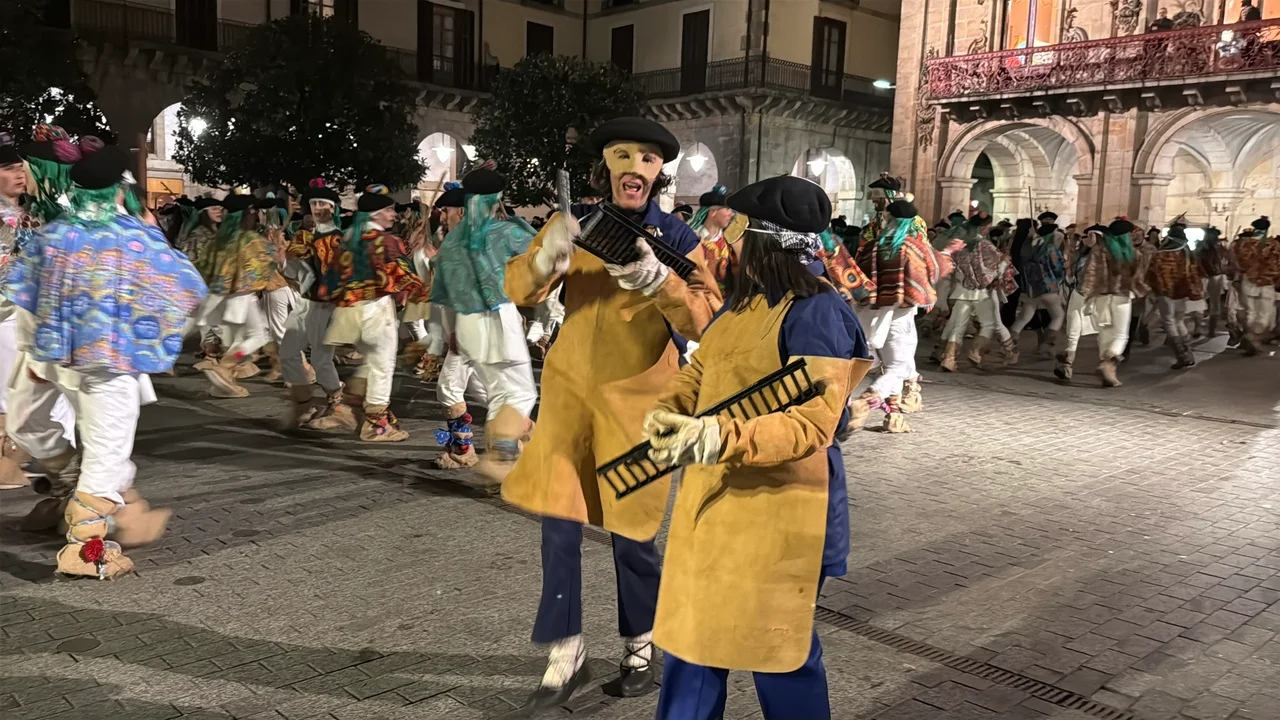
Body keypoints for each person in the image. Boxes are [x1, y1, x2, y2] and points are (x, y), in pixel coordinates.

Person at [499, 116, 720, 711]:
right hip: (568, 399)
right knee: (557, 525)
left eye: (647, 159)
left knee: (633, 535)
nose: (635, 168)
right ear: (607, 166)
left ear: (658, 171)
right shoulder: (574, 222)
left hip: (639, 405)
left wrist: (662, 283)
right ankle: (566, 649)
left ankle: (641, 644)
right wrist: (548, 255)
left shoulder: (680, 238)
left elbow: (709, 319)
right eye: (624, 156)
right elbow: (518, 290)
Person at [642, 175, 873, 719]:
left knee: (776, 651)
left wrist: (717, 435)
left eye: (736, 231)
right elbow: (703, 367)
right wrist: (670, 409)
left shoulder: (816, 311)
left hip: (783, 511)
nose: (728, 243)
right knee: (693, 640)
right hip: (717, 504)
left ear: (762, 238)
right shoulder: (744, 305)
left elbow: (813, 421)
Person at [3, 144, 207, 578]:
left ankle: (75, 498)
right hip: (111, 365)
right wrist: (156, 340)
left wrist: (35, 352)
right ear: (120, 189)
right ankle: (85, 541)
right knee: (106, 450)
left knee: (29, 425)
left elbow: (25, 299)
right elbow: (186, 293)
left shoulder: (53, 236)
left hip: (55, 359)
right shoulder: (140, 239)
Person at [429, 165, 538, 476]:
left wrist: (451, 331)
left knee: (492, 391)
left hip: (467, 323)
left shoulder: (452, 241)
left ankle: (493, 452)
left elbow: (444, 294)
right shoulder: (504, 232)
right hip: (497, 318)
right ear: (495, 199)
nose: (446, 215)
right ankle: (503, 453)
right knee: (518, 393)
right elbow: (542, 258)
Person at [316, 185, 423, 441]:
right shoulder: (386, 241)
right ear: (376, 214)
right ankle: (376, 425)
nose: (393, 215)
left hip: (348, 314)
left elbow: (330, 279)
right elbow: (404, 276)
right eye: (389, 210)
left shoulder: (348, 240)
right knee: (382, 366)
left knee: (371, 361)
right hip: (377, 312)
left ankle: (348, 405)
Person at [851, 196, 958, 432]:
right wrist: (948, 251)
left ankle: (894, 419)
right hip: (900, 315)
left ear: (888, 219)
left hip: (870, 313)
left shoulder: (872, 247)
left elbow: (859, 278)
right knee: (898, 366)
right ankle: (870, 398)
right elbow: (934, 269)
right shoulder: (913, 246)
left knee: (883, 364)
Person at [192, 193, 285, 397]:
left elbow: (203, 265)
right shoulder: (249, 239)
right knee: (258, 336)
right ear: (249, 212)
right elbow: (271, 264)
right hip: (241, 297)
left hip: (218, 298)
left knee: (243, 338)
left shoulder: (217, 239)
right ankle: (225, 368)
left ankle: (224, 380)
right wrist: (277, 247)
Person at [280, 180, 351, 430]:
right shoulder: (302, 237)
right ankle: (304, 403)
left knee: (321, 359)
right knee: (288, 352)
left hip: (325, 304)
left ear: (333, 208)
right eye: (313, 204)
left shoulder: (339, 239)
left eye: (322, 203)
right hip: (304, 301)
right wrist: (285, 257)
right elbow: (292, 272)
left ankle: (337, 402)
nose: (317, 208)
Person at [1056, 219, 1139, 387]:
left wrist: (1085, 293)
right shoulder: (1134, 254)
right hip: (1122, 297)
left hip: (1099, 295)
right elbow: (1140, 278)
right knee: (1120, 335)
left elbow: (1090, 274)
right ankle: (1107, 364)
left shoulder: (1099, 252)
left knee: (1103, 332)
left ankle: (1104, 370)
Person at [938, 212, 1017, 371]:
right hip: (982, 292)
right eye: (987, 227)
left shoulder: (960, 245)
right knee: (988, 324)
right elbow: (995, 269)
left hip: (962, 290)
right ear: (982, 228)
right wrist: (1004, 262)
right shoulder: (986, 246)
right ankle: (976, 352)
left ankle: (949, 358)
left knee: (958, 326)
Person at [1008, 213, 1067, 360]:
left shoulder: (1026, 247)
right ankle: (1047, 344)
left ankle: (1009, 342)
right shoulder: (1050, 248)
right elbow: (1058, 267)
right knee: (1058, 315)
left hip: (1029, 288)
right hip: (1047, 287)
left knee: (1024, 317)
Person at [1147, 220, 1204, 369]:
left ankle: (1181, 355)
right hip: (1182, 292)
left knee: (1169, 321)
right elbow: (1194, 273)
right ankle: (1188, 352)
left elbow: (1152, 274)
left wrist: (1153, 290)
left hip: (1165, 292)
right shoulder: (1186, 254)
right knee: (1179, 320)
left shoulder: (1160, 255)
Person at [1232, 216, 1280, 355]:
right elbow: (1277, 265)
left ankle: (1252, 340)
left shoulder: (1244, 244)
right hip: (1266, 284)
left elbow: (1238, 263)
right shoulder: (1273, 245)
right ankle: (1253, 339)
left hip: (1248, 281)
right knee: (1265, 315)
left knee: (1250, 313)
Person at [1197, 227, 1235, 338]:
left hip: (1209, 276)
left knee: (1204, 302)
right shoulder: (1216, 248)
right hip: (1211, 276)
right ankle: (1207, 330)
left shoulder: (1204, 247)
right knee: (1210, 303)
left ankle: (1204, 329)